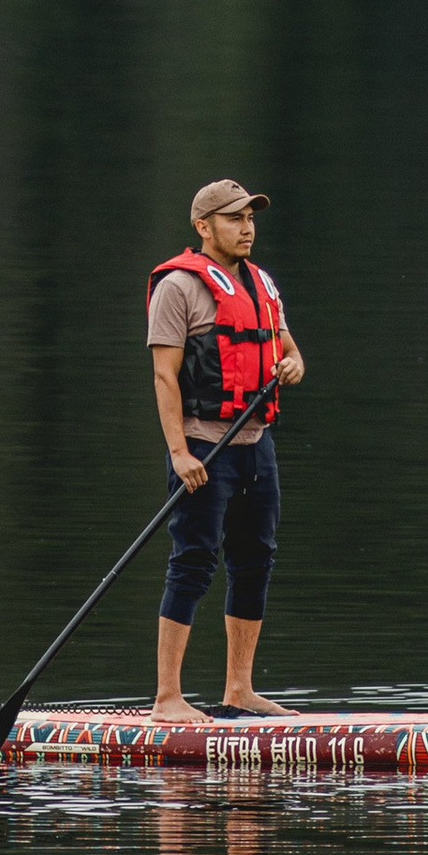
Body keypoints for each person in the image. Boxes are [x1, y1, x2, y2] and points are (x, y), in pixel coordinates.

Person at [146, 181, 306, 717]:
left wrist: (292, 364)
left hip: (256, 446)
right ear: (204, 227)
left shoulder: (261, 283)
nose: (247, 227)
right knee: (192, 564)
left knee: (255, 561)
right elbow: (165, 377)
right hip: (202, 448)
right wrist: (178, 453)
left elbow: (290, 351)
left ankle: (239, 690)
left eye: (251, 217)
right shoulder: (178, 288)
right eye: (234, 218)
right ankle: (168, 697)